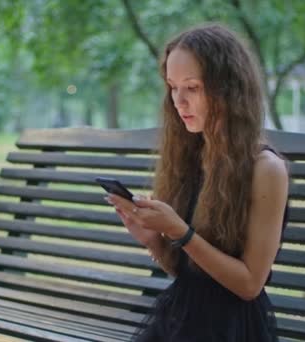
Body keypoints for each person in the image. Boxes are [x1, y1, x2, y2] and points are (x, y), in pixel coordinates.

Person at [105, 23, 289, 342]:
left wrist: (180, 231)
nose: (179, 101)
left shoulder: (265, 169)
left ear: (227, 89)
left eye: (192, 87)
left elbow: (249, 285)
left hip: (231, 330)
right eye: (173, 87)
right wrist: (153, 240)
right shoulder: (192, 156)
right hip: (184, 319)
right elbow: (191, 276)